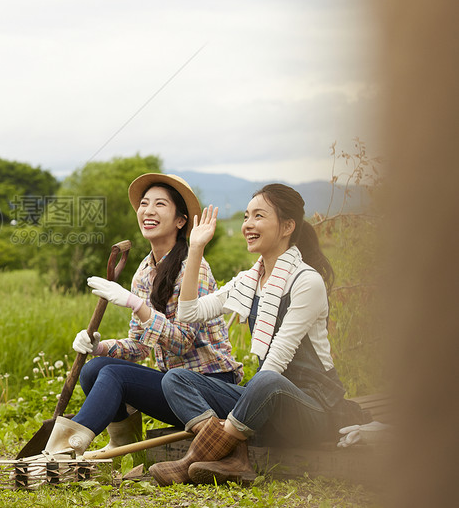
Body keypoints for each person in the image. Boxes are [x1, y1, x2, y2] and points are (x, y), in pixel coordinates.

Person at [149, 184, 368, 486]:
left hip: (313, 411)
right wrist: (196, 248)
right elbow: (188, 313)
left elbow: (277, 359)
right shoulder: (249, 281)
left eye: (259, 216)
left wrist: (242, 407)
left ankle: (193, 460)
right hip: (265, 405)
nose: (248, 225)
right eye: (246, 216)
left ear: (287, 226)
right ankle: (235, 456)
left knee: (267, 380)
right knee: (175, 379)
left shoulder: (306, 281)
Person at [37, 173, 243, 459]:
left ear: (181, 220)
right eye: (144, 204)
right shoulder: (145, 272)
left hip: (209, 388)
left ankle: (62, 453)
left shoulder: (194, 268)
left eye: (160, 205)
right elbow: (140, 345)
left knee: (111, 374)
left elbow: (182, 342)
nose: (148, 211)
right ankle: (122, 445)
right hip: (174, 384)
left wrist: (137, 305)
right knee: (94, 369)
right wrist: (99, 346)